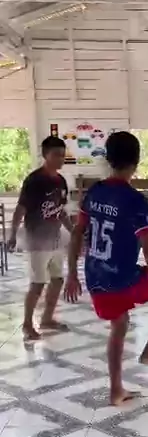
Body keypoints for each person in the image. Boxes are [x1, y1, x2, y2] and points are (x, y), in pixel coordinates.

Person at [64, 131, 148, 406]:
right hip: (122, 279)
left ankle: (116, 389)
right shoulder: (136, 201)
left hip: (95, 276)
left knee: (119, 323)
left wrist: (72, 273)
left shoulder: (94, 192)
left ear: (108, 159)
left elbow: (77, 233)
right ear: (137, 161)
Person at [8, 135, 72, 341]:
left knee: (57, 280)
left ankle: (47, 318)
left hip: (55, 239)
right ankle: (27, 324)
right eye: (56, 155)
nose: (61, 159)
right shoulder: (35, 181)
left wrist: (73, 232)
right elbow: (21, 209)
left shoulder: (61, 181)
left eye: (63, 155)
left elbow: (61, 211)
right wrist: (12, 234)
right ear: (45, 155)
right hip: (37, 240)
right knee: (37, 284)